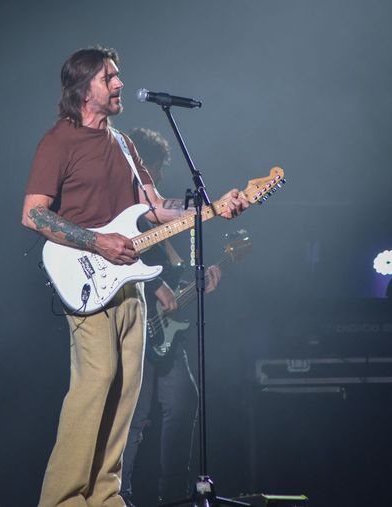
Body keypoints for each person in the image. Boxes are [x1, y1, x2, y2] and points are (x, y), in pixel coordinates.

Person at [21, 46, 248, 507]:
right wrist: (96, 242)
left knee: (126, 389)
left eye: (117, 76)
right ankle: (61, 499)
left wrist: (212, 208)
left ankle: (105, 496)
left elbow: (155, 207)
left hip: (131, 283)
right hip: (86, 279)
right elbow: (34, 215)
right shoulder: (58, 141)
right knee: (96, 381)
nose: (119, 84)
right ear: (84, 88)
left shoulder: (123, 143)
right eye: (109, 77)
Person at [119, 128, 222, 505]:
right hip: (131, 323)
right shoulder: (119, 208)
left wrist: (201, 276)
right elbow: (112, 261)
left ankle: (175, 498)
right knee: (134, 416)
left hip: (164, 333)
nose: (160, 175)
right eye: (156, 168)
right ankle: (119, 496)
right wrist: (153, 285)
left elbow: (173, 268)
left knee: (183, 401)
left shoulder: (156, 216)